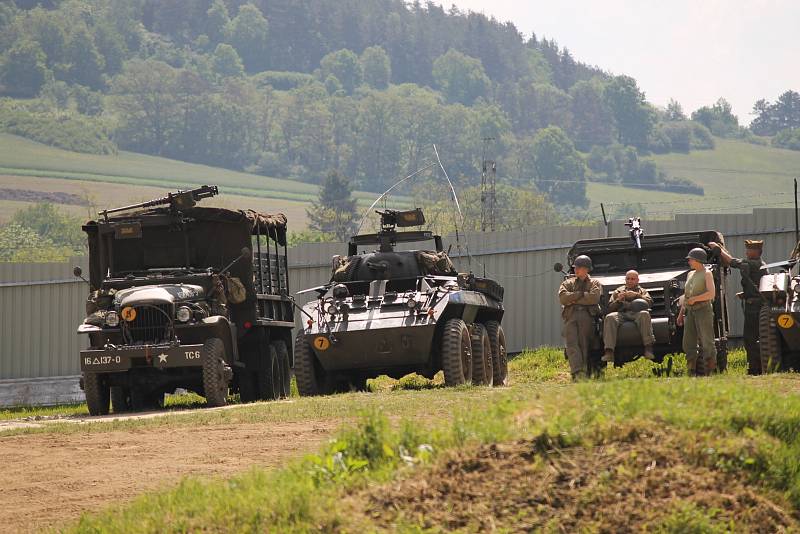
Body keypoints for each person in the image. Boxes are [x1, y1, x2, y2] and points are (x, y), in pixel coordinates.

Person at [708, 239, 767, 374]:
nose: (746, 252)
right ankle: (759, 366)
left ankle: (755, 368)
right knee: (756, 337)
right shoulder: (760, 264)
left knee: (751, 338)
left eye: (749, 250)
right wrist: (746, 294)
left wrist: (718, 248)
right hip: (756, 303)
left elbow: (731, 262)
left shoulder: (753, 263)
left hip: (755, 307)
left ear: (756, 251)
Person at [558, 255, 602, 380]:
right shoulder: (568, 283)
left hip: (587, 316)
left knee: (584, 344)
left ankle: (585, 372)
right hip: (571, 315)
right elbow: (563, 298)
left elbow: (594, 298)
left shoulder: (594, 283)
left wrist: (574, 299)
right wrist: (581, 294)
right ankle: (577, 372)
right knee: (572, 343)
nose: (576, 270)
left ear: (587, 269)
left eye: (580, 267)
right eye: (575, 267)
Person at [677, 248, 717, 376]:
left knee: (707, 340)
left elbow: (711, 293)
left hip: (703, 309)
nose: (689, 261)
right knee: (688, 342)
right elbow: (686, 295)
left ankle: (710, 370)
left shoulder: (707, 273)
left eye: (691, 259)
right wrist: (681, 313)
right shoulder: (690, 274)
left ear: (698, 260)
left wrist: (696, 299)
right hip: (690, 311)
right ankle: (691, 370)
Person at [602, 270, 656, 363]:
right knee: (610, 317)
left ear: (637, 280)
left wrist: (637, 295)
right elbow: (610, 307)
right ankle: (609, 351)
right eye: (628, 279)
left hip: (637, 313)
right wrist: (618, 300)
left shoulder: (642, 291)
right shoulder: (618, 291)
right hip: (622, 313)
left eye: (633, 279)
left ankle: (648, 348)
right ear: (625, 279)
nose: (630, 281)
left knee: (645, 314)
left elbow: (650, 303)